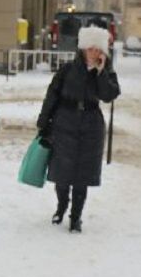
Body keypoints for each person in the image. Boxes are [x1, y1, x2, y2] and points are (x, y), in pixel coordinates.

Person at [35, 24, 121, 232]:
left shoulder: (106, 71)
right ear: (82, 49)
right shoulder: (67, 70)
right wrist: (44, 122)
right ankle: (61, 206)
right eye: (90, 48)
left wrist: (101, 73)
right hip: (64, 123)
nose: (94, 53)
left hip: (91, 127)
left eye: (98, 49)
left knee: (83, 176)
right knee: (62, 174)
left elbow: (109, 95)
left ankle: (76, 217)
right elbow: (52, 96)